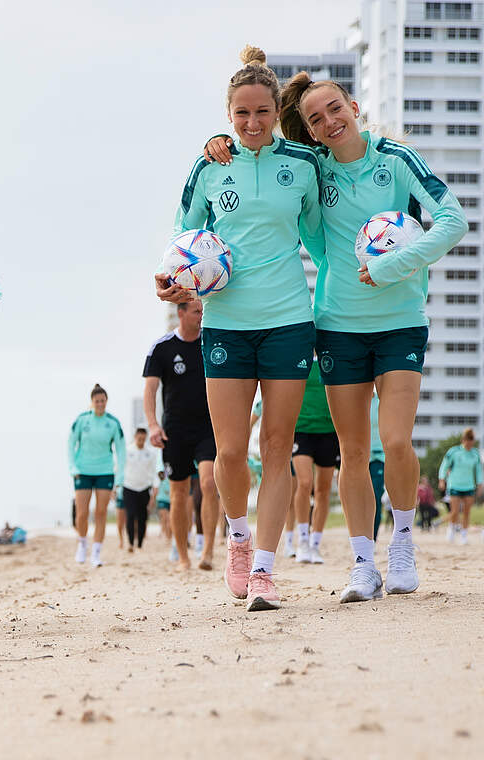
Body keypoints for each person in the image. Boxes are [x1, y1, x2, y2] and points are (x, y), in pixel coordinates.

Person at [204, 62, 467, 602]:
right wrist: (217, 142)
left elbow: (453, 220)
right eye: (316, 118)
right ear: (308, 128)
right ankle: (363, 565)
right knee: (352, 453)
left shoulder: (396, 161)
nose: (329, 122)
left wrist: (397, 266)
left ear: (354, 107)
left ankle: (401, 545)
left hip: (400, 323)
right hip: (338, 326)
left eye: (335, 109)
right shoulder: (311, 168)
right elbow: (315, 240)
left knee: (393, 441)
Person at [157, 47, 323, 611]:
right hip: (224, 323)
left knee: (277, 448)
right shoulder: (209, 167)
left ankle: (266, 571)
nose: (252, 124)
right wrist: (174, 283)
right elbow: (184, 242)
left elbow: (321, 239)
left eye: (261, 112)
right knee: (230, 452)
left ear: (277, 110)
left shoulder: (301, 165)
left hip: (288, 321)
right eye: (241, 114)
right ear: (227, 116)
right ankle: (237, 536)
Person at [143, 300, 220, 572]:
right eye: (197, 311)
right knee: (178, 492)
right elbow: (150, 391)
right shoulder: (162, 348)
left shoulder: (211, 342)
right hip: (175, 430)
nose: (201, 316)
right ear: (181, 313)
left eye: (203, 311)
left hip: (209, 427)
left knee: (210, 483)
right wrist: (153, 425)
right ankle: (184, 557)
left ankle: (208, 551)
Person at [68, 384, 126, 566]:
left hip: (105, 472)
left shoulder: (113, 423)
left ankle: (96, 553)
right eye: (97, 401)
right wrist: (73, 468)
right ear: (92, 402)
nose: (100, 404)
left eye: (102, 401)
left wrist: (120, 478)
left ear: (106, 401)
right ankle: (82, 546)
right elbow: (70, 444)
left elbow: (121, 451)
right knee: (82, 513)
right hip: (83, 471)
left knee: (100, 513)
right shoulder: (82, 420)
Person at [291, 359, 339, 564]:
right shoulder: (298, 360)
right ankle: (302, 540)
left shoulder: (330, 360)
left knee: (323, 490)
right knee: (304, 482)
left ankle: (315, 543)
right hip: (301, 430)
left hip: (329, 431)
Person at [438, 428, 484, 545]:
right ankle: (451, 530)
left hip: (469, 486)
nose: (469, 443)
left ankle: (464, 535)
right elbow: (444, 465)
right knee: (455, 511)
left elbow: (479, 470)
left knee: (467, 512)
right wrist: (442, 480)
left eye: (471, 440)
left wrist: (480, 485)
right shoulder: (453, 452)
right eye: (467, 440)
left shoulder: (475, 454)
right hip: (454, 485)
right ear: (463, 440)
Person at [121, 427, 159, 552]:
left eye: (143, 439)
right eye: (139, 438)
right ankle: (131, 542)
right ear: (135, 437)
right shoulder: (127, 450)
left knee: (142, 516)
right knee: (130, 515)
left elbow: (154, 471)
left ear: (146, 438)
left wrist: (155, 487)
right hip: (129, 486)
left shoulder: (151, 452)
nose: (141, 441)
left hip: (144, 488)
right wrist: (116, 486)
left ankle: (140, 543)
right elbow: (119, 468)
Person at [369, 396, 387, 541]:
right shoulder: (355, 399)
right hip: (356, 458)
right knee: (357, 499)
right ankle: (359, 538)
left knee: (375, 497)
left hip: (378, 458)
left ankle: (372, 538)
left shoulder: (381, 402)